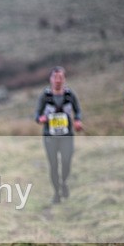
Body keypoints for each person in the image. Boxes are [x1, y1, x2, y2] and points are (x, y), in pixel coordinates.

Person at [35, 66, 83, 204]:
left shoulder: (69, 95)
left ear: (64, 79)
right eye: (55, 77)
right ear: (51, 79)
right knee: (54, 165)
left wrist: (78, 120)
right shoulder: (45, 96)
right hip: (50, 136)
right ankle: (56, 193)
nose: (58, 80)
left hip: (67, 135)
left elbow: (78, 110)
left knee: (66, 162)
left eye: (60, 78)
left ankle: (64, 182)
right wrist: (40, 119)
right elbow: (37, 115)